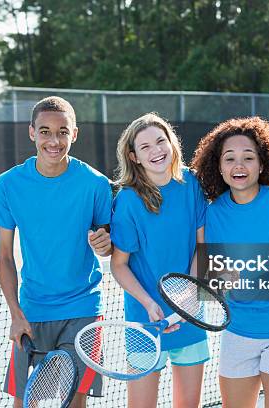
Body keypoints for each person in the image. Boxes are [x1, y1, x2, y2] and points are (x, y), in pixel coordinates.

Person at [0, 96, 113, 408]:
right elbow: (4, 256)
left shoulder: (96, 184)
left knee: (75, 400)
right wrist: (16, 314)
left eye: (62, 132)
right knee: (24, 401)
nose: (54, 141)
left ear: (75, 134)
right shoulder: (8, 184)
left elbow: (108, 241)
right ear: (32, 133)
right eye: (45, 131)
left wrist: (106, 244)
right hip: (32, 310)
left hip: (83, 306)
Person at [191, 117, 269, 408]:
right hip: (237, 331)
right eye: (229, 158)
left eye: (248, 157)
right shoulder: (214, 212)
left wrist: (247, 277)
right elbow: (215, 271)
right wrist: (221, 276)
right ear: (219, 166)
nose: (238, 166)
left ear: (262, 163)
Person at [110, 113, 209, 408]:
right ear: (134, 157)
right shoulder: (127, 200)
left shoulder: (192, 183)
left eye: (160, 141)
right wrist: (149, 304)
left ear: (171, 143)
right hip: (145, 322)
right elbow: (119, 265)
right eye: (145, 147)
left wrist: (189, 293)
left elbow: (202, 247)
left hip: (190, 315)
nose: (156, 151)